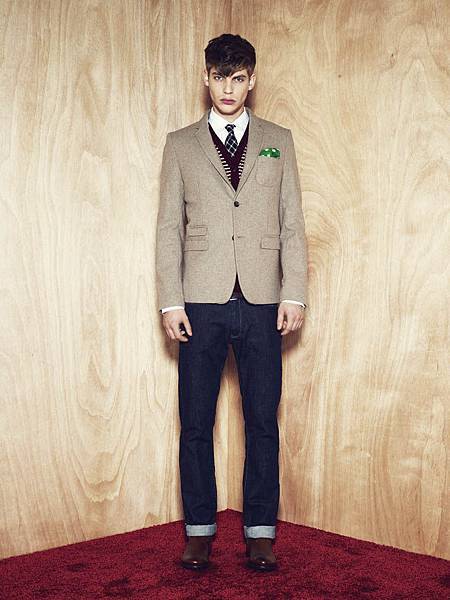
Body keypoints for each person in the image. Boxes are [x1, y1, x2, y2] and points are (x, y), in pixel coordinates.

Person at [155, 33, 308, 571]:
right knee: (195, 422)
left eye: (238, 78)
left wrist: (294, 292)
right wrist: (170, 302)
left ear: (252, 80)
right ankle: (199, 531)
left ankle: (260, 533)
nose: (228, 88)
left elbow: (292, 223)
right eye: (219, 77)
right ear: (206, 78)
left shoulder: (278, 141)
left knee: (262, 421)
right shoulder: (180, 144)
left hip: (265, 300)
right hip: (200, 300)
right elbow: (169, 229)